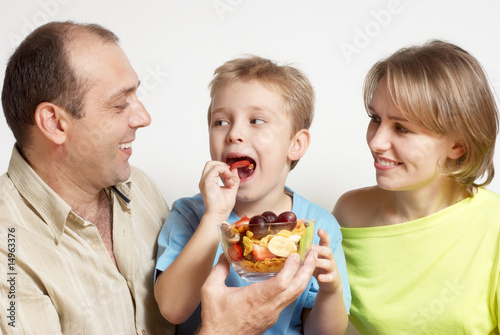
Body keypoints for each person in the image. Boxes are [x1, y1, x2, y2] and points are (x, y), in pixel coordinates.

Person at [154, 55, 350, 334]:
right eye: (221, 122)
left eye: (256, 121)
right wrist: (215, 217)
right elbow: (172, 309)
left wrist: (330, 291)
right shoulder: (189, 215)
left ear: (295, 144)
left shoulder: (318, 226)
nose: (234, 134)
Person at [0, 21, 174, 334]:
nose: (144, 117)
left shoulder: (142, 188)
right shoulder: (6, 249)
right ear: (54, 123)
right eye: (120, 103)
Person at [333, 40, 500, 334]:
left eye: (401, 128)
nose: (376, 142)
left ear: (457, 144)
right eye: (375, 119)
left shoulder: (494, 225)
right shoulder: (349, 215)